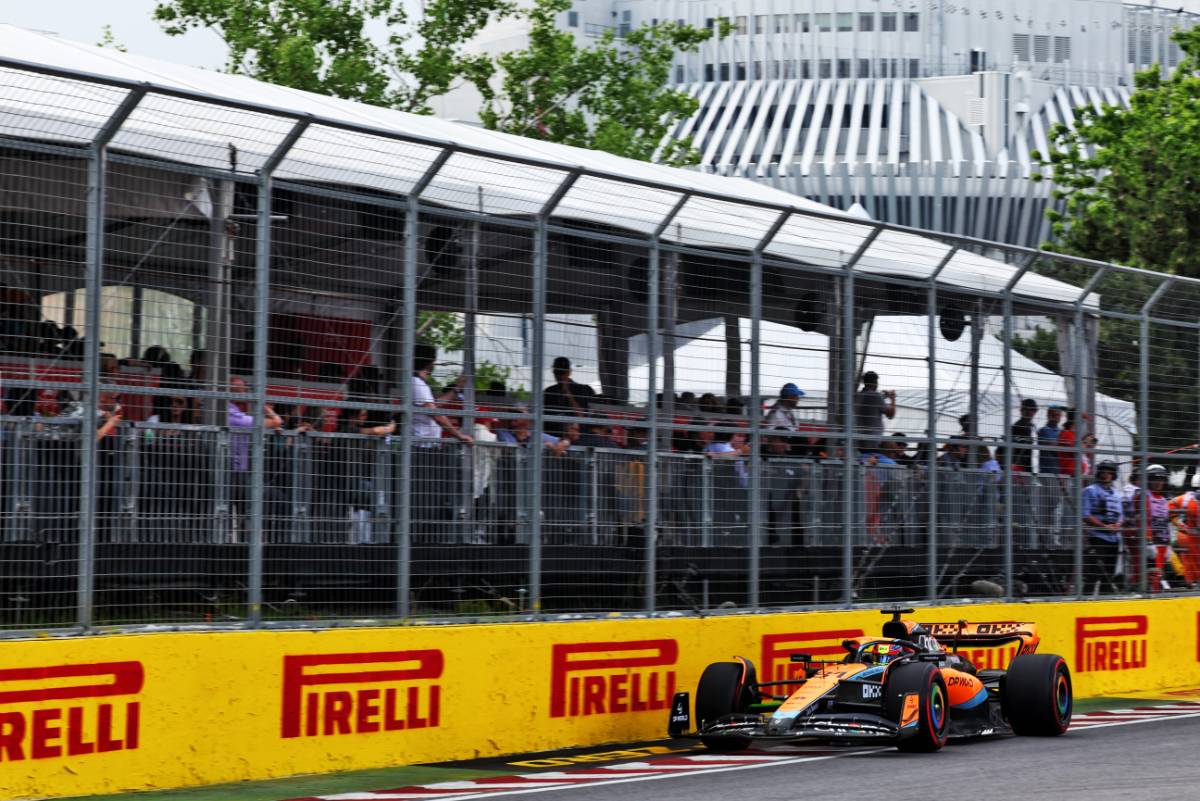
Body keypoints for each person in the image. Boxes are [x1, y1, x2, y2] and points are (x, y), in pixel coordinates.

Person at [1123, 464, 1172, 592]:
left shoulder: (1163, 499)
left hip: (1162, 543)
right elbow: (1142, 521)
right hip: (1147, 543)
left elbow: (1166, 522)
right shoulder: (1142, 496)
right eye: (1155, 479)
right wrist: (1148, 542)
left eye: (1161, 479)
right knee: (1145, 576)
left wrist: (1168, 544)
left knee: (1157, 574)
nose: (1158, 482)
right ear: (1148, 480)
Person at [412, 343, 472, 445]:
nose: (434, 365)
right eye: (433, 361)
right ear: (428, 362)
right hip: (422, 446)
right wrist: (460, 435)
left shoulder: (418, 383)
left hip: (426, 444)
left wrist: (457, 388)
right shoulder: (416, 383)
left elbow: (435, 405)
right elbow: (437, 415)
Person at [1082, 460, 1124, 595]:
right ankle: (1085, 601)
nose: (1106, 475)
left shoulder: (1117, 494)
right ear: (1099, 473)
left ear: (1113, 475)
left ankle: (1105, 600)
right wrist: (1104, 527)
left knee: (1109, 575)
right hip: (1097, 538)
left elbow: (1121, 515)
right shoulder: (1090, 491)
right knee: (1093, 574)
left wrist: (1118, 525)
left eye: (1109, 472)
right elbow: (1086, 515)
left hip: (1114, 539)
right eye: (1103, 471)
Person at [542, 356, 596, 432]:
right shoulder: (549, 392)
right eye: (557, 372)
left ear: (569, 371)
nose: (560, 376)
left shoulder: (584, 390)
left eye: (562, 372)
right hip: (555, 433)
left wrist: (568, 393)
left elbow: (582, 416)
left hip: (578, 433)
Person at [1169, 473, 1200, 588]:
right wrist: (1179, 523)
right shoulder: (1187, 498)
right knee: (1190, 560)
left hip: (1192, 536)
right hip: (1187, 535)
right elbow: (1170, 505)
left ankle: (1192, 582)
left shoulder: (1186, 498)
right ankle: (1192, 583)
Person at [853, 371, 895, 448]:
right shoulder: (876, 396)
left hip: (859, 440)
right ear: (875, 382)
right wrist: (893, 399)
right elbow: (890, 415)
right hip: (872, 441)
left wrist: (883, 396)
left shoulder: (858, 395)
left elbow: (870, 402)